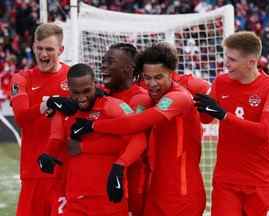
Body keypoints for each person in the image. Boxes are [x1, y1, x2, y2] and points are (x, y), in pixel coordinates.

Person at [75, 43, 206, 216]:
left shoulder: (178, 98)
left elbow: (134, 123)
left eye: (158, 77)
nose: (152, 84)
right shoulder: (146, 99)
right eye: (148, 77)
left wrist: (93, 126)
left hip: (183, 192)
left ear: (171, 74)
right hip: (155, 190)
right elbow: (136, 132)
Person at [193, 31, 269, 216]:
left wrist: (224, 115)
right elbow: (205, 118)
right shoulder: (221, 81)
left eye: (232, 59)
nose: (226, 63)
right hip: (226, 181)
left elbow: (265, 132)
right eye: (225, 57)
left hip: (259, 182)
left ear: (251, 62)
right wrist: (197, 99)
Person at [38, 63, 147, 216]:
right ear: (68, 88)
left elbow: (139, 139)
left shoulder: (112, 107)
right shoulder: (62, 110)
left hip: (108, 199)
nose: (82, 97)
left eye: (87, 91)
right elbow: (56, 139)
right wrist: (47, 155)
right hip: (74, 198)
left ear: (94, 84)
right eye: (76, 92)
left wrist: (119, 167)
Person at [10, 23, 72, 216]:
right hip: (33, 173)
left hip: (64, 174)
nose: (43, 54)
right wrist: (45, 106)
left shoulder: (73, 78)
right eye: (39, 48)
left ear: (61, 50)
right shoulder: (21, 79)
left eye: (49, 49)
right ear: (33, 46)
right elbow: (21, 117)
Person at [101, 43, 152, 216]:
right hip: (102, 177)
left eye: (110, 61)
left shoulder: (141, 99)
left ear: (128, 69)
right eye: (103, 60)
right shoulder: (100, 94)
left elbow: (137, 138)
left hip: (132, 178)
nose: (103, 65)